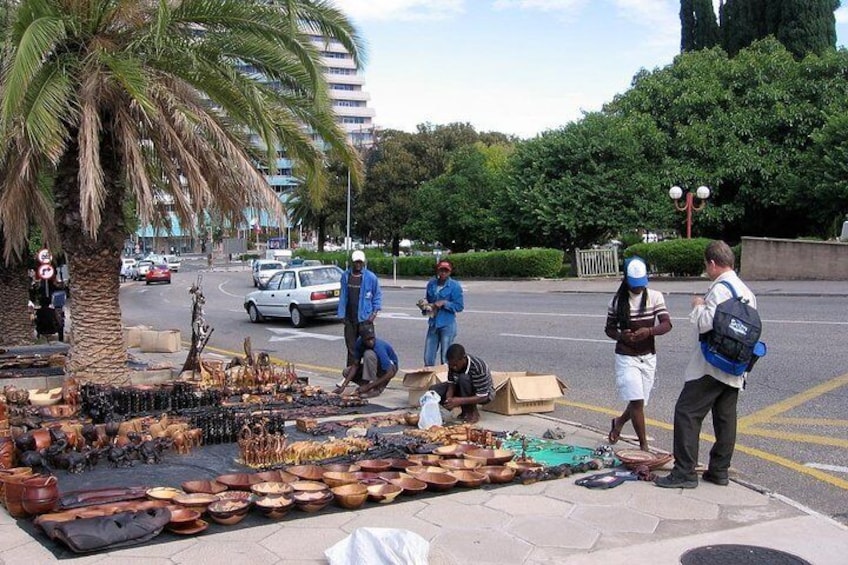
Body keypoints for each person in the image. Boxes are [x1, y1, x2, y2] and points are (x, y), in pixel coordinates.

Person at [655, 240, 756, 489]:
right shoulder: (747, 292)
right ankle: (719, 471)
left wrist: (698, 305)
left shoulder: (720, 289)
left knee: (687, 412)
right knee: (725, 417)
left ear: (712, 263)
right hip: (735, 365)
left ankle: (684, 472)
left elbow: (705, 324)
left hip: (712, 365)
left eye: (706, 265)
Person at [605, 256, 672, 451]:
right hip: (626, 356)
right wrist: (621, 336)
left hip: (648, 355)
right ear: (626, 280)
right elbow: (609, 329)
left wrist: (649, 331)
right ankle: (644, 447)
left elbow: (667, 324)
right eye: (634, 286)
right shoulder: (617, 302)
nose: (638, 289)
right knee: (636, 401)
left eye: (641, 285)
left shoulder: (655, 297)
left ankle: (619, 422)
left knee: (639, 402)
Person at [428, 343, 494, 424]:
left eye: (455, 365)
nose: (453, 368)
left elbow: (483, 396)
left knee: (463, 378)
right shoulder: (452, 364)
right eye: (451, 365)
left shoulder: (478, 367)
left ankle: (471, 412)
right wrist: (449, 398)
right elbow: (451, 383)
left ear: (463, 359)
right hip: (461, 387)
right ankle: (462, 411)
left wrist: (459, 401)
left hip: (482, 394)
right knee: (434, 390)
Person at [337, 250, 382, 367]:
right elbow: (343, 296)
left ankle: (370, 375)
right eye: (356, 262)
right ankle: (350, 375)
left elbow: (377, 295)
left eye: (360, 262)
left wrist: (374, 314)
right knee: (351, 349)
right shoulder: (346, 276)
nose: (358, 264)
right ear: (352, 262)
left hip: (365, 319)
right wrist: (341, 314)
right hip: (350, 319)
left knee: (369, 348)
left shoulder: (371, 277)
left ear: (363, 263)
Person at [334, 323, 398, 398]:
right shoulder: (359, 343)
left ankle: (376, 388)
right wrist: (343, 386)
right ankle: (366, 384)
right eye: (367, 340)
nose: (371, 342)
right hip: (374, 368)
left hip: (388, 370)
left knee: (369, 354)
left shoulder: (379, 347)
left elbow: (390, 373)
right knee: (346, 372)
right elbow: (355, 365)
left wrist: (369, 386)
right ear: (362, 338)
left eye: (372, 338)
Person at [421, 260, 464, 366]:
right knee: (428, 357)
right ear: (437, 271)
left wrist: (445, 303)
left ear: (450, 272)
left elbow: (459, 306)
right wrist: (425, 306)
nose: (443, 273)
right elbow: (429, 300)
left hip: (447, 324)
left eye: (446, 271)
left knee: (445, 358)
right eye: (441, 270)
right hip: (433, 323)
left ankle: (446, 379)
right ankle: (430, 379)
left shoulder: (454, 286)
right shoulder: (431, 284)